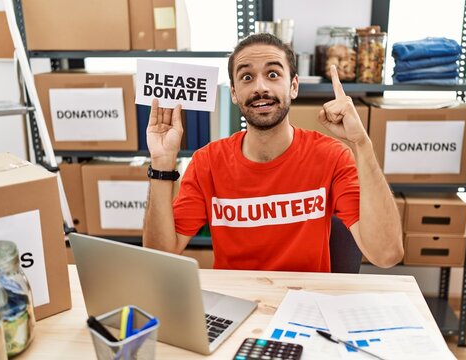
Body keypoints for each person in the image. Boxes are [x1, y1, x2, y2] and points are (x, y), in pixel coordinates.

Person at [143, 33, 403, 272]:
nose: (260, 87)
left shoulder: (332, 157)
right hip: (238, 305)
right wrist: (162, 162)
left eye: (273, 74)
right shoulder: (206, 163)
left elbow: (387, 254)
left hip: (306, 306)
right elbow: (159, 255)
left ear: (294, 86)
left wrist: (362, 144)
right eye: (246, 77)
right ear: (234, 93)